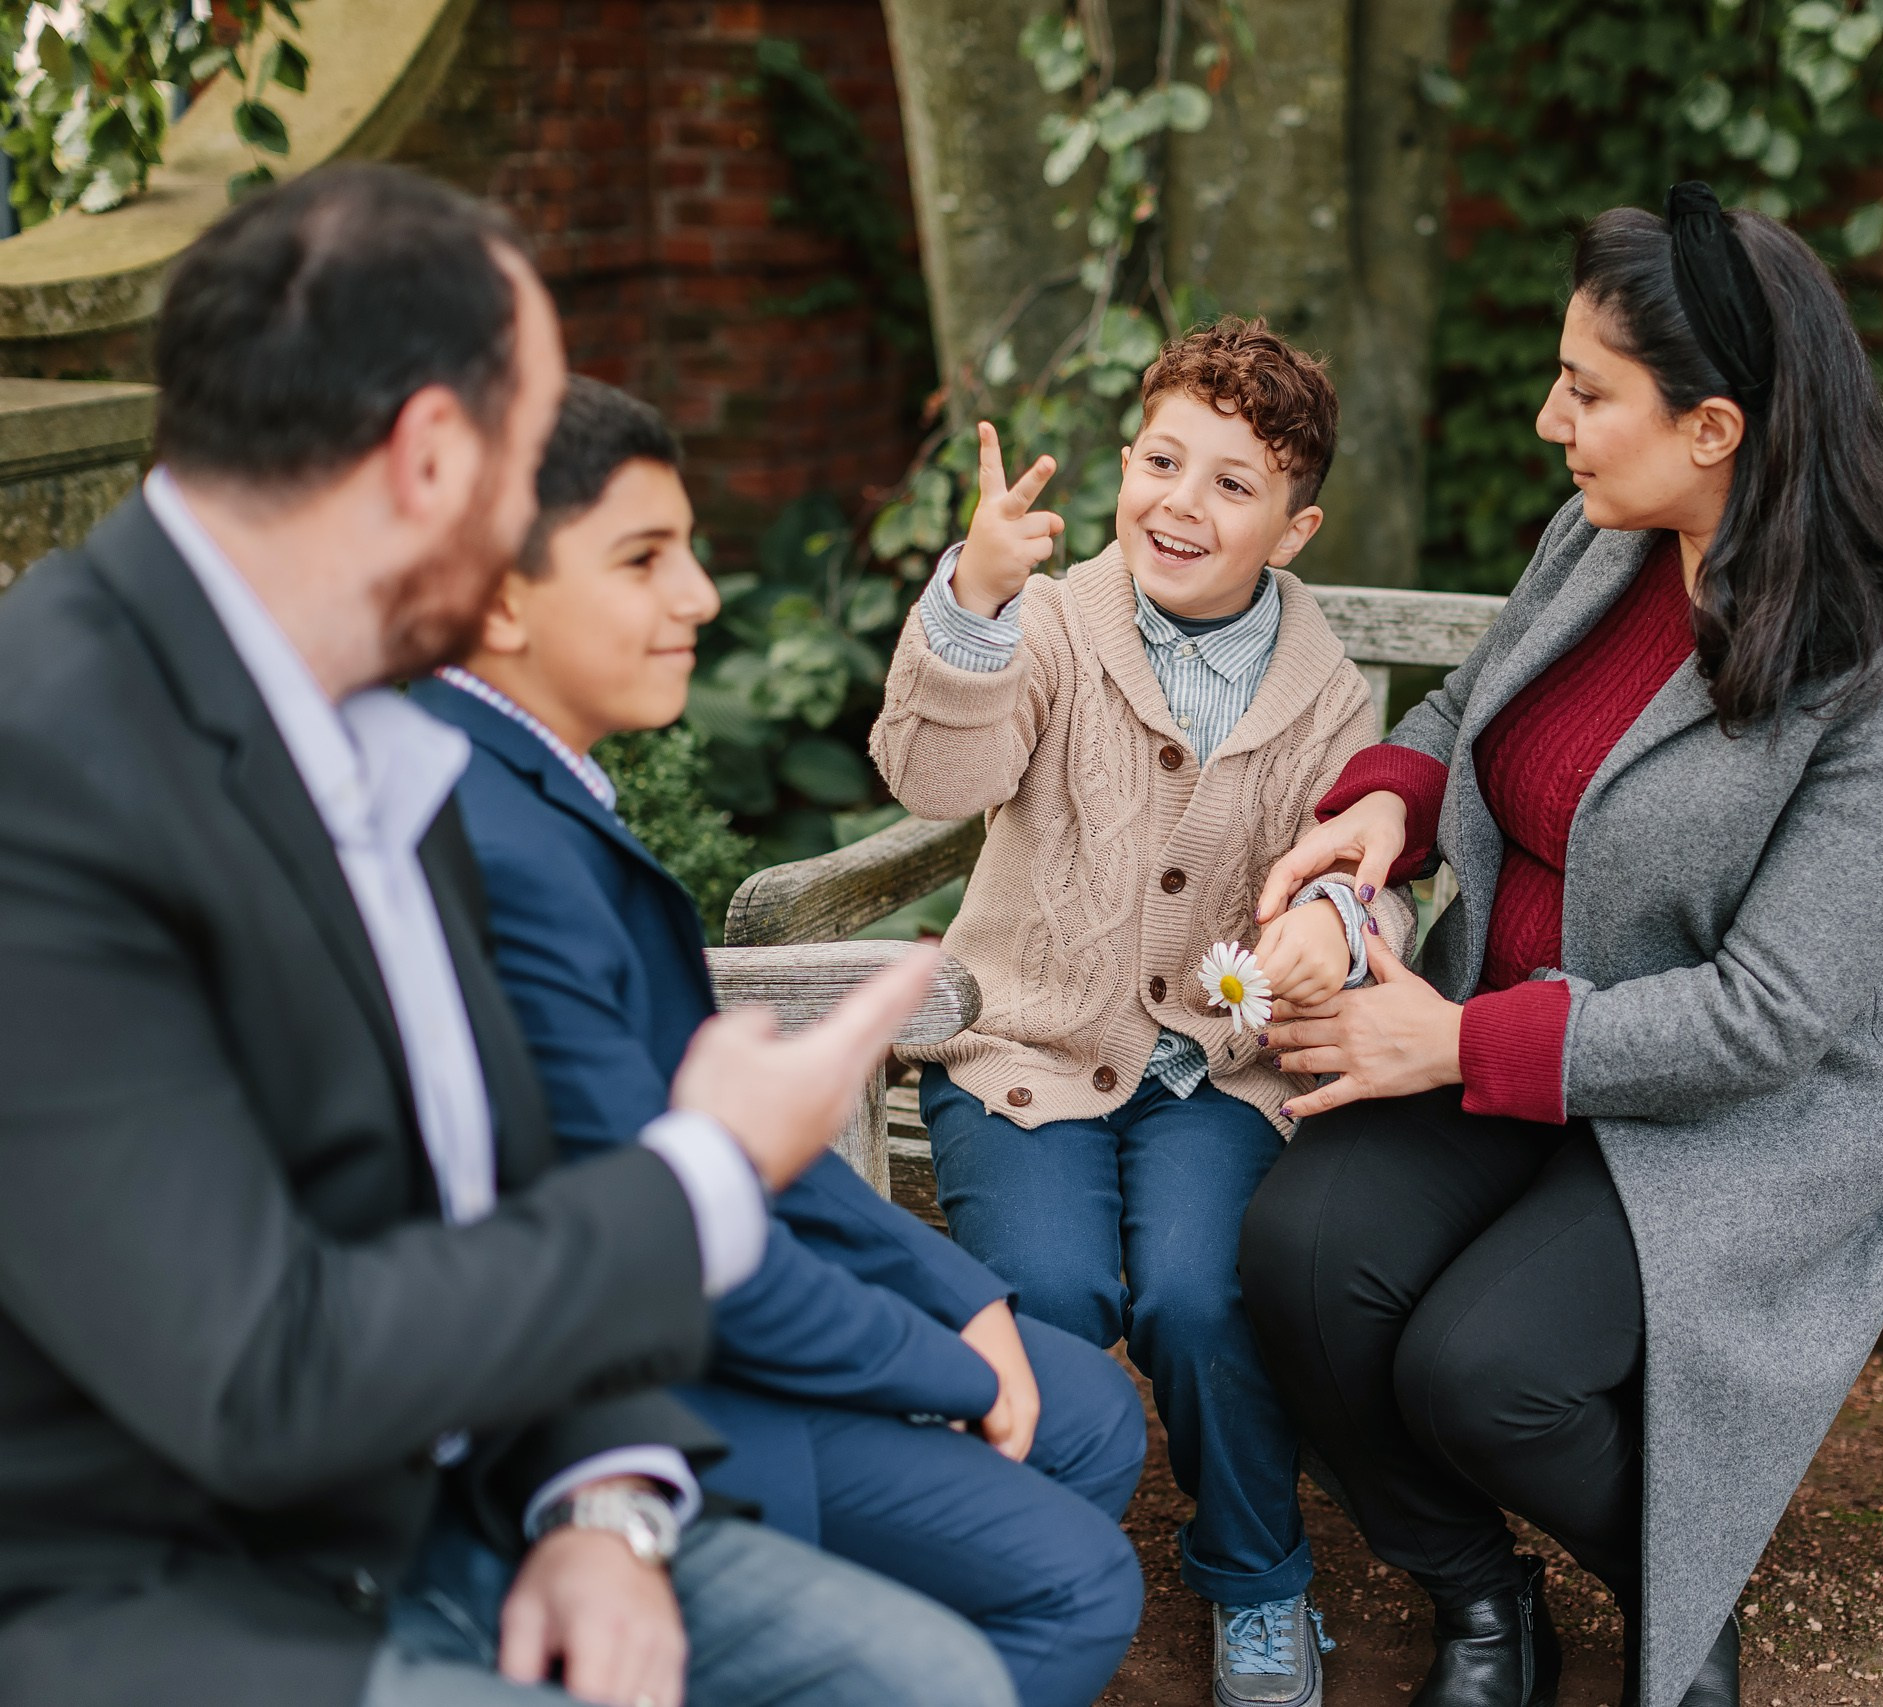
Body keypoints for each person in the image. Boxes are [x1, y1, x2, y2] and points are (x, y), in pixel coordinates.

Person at [0, 164, 1012, 1707]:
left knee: (932, 1684)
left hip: (479, 1498)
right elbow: (260, 1377)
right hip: (183, 1583)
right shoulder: (47, 766)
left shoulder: (371, 719)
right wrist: (708, 1173)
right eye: (537, 452)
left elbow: (496, 1167)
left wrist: (601, 1492)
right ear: (428, 457)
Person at [1235, 184, 1883, 1707]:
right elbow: (1463, 718)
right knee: (1301, 1263)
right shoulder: (1596, 536)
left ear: (1713, 427)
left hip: (1719, 1120)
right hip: (1503, 1042)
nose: (1546, 421)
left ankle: (1681, 1603)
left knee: (1483, 1377)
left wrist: (1451, 1046)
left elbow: (1768, 1018)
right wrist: (1389, 811)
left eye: (1586, 390)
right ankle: (1484, 1600)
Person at [411, 374, 1149, 1707]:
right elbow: (669, 1237)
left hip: (720, 1295)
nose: (700, 596)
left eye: (688, 549)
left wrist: (956, 1293)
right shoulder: (491, 846)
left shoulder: (547, 784)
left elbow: (724, 1129)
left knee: (1084, 1412)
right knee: (1081, 1579)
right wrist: (936, 1364)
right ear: (502, 599)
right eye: (645, 559)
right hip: (655, 1386)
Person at [869, 317, 1414, 1707]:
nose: (1184, 501)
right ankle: (1026, 1565)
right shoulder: (1052, 626)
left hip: (1216, 1069)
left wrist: (1331, 926)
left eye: (1234, 484)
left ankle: (1257, 1576)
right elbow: (933, 778)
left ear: (1292, 531)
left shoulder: (1326, 689)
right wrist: (973, 604)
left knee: (1205, 1293)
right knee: (1051, 1290)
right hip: (1027, 1048)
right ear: (1124, 466)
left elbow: (1372, 867)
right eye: (1164, 461)